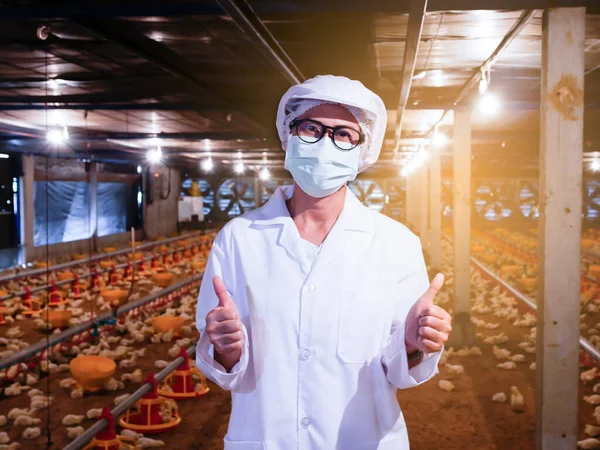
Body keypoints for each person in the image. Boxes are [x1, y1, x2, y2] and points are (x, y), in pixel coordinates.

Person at [196, 75, 452, 450]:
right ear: (289, 136)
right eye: (312, 128)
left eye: (344, 134)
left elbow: (398, 370)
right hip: (267, 439)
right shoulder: (239, 239)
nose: (325, 143)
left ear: (361, 151)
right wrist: (226, 348)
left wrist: (413, 343)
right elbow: (224, 368)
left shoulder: (395, 244)